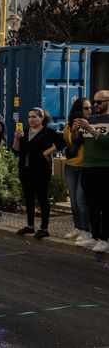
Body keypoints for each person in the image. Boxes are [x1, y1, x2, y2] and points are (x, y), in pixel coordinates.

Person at [13, 108, 66, 239]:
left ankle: (44, 228)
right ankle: (30, 226)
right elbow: (16, 150)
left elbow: (62, 143)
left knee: (42, 198)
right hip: (25, 169)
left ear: (41, 118)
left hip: (42, 169)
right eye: (29, 117)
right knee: (28, 197)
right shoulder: (24, 132)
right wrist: (16, 137)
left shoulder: (48, 132)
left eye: (34, 117)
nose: (31, 119)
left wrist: (46, 152)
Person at [74, 90, 109, 252]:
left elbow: (106, 143)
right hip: (87, 168)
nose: (95, 105)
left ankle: (105, 238)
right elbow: (78, 142)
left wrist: (90, 129)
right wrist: (75, 130)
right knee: (92, 205)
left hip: (104, 168)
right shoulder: (91, 119)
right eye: (94, 102)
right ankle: (95, 236)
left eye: (99, 102)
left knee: (105, 205)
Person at [62, 98, 91, 240]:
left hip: (86, 166)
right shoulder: (68, 127)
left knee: (81, 199)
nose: (90, 110)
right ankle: (78, 228)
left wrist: (87, 127)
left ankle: (87, 230)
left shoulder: (94, 124)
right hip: (71, 166)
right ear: (79, 110)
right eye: (86, 108)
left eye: (90, 107)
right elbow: (70, 144)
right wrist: (74, 131)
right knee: (73, 200)